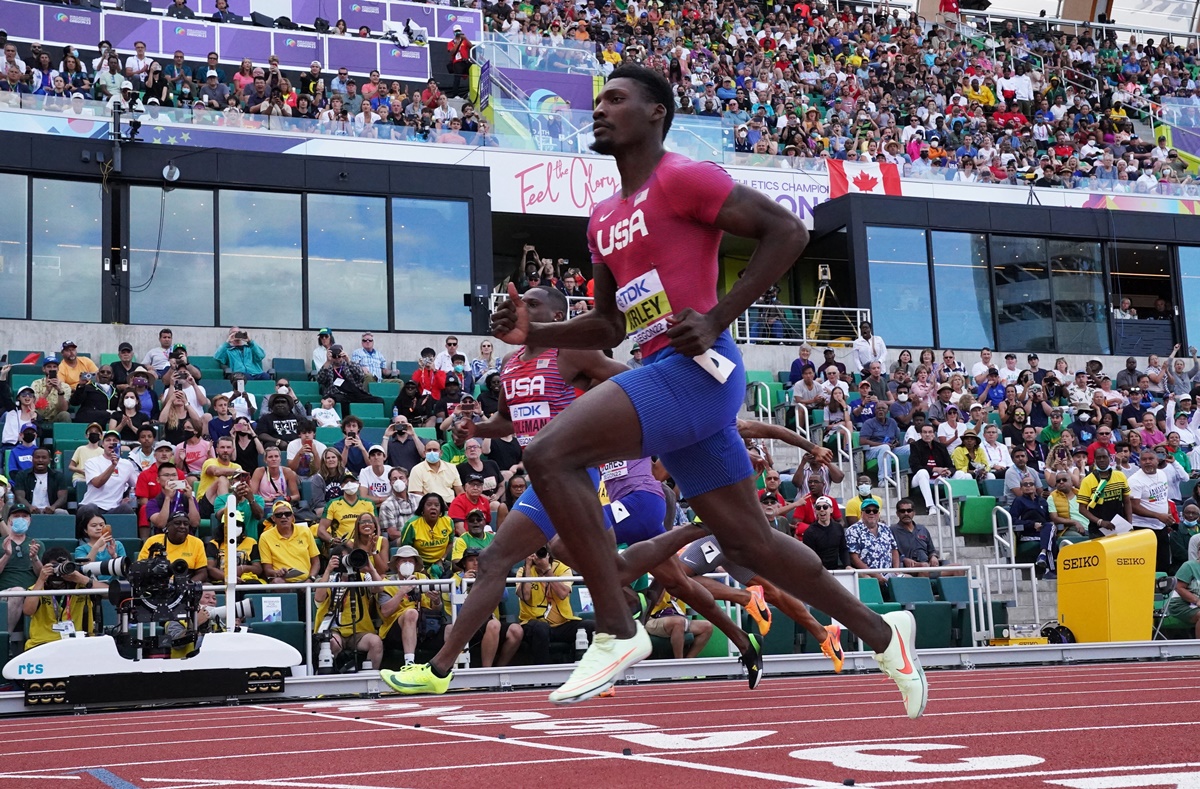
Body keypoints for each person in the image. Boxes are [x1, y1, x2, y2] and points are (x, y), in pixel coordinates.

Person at [482, 66, 924, 712]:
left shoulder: (684, 177)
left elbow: (789, 231)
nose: (599, 110)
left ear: (657, 113)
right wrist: (537, 329)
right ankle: (886, 635)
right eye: (597, 100)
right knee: (750, 542)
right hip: (669, 374)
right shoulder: (602, 218)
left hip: (697, 370)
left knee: (548, 452)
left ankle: (616, 628)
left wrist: (717, 315)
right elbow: (609, 324)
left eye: (616, 99)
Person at [442, 547, 523, 668]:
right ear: (464, 563)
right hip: (464, 623)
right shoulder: (455, 579)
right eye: (471, 560)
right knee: (494, 624)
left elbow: (504, 596)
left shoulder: (490, 576)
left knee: (516, 630)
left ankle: (497, 669)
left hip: (487, 621)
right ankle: (485, 670)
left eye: (479, 560)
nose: (475, 563)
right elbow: (458, 607)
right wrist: (465, 584)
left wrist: (487, 580)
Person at [514, 547, 595, 665]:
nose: (539, 556)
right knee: (542, 628)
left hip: (562, 624)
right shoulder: (523, 571)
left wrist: (547, 570)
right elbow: (525, 596)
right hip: (533, 623)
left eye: (542, 552)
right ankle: (543, 673)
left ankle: (589, 670)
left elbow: (562, 594)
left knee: (592, 626)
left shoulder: (562, 568)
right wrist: (527, 566)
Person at [314, 542, 385, 670]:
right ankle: (328, 680)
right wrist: (328, 570)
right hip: (334, 630)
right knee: (330, 644)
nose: (347, 563)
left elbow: (380, 588)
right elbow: (318, 598)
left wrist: (371, 569)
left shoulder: (364, 578)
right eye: (343, 559)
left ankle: (370, 680)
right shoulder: (329, 579)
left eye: (349, 558)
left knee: (376, 642)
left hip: (359, 631)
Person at [22, 546, 107, 651]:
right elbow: (27, 610)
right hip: (42, 645)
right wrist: (41, 579)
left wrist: (83, 579)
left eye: (63, 566)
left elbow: (109, 593)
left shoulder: (81, 586)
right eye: (54, 566)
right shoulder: (38, 589)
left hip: (78, 644)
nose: (59, 571)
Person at [1128, 448, 1175, 573]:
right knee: (1148, 564)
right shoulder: (1134, 480)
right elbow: (1134, 507)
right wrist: (1158, 515)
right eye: (1144, 459)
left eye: (1151, 459)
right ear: (1139, 462)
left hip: (1161, 525)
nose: (1147, 462)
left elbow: (1164, 497)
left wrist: (1168, 515)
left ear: (1157, 460)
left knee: (1163, 562)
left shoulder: (1162, 474)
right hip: (1142, 527)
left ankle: (1162, 590)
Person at [259, 501, 320, 584]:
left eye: (287, 514)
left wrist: (311, 579)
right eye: (279, 515)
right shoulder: (265, 537)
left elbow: (316, 562)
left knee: (323, 583)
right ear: (273, 518)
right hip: (283, 581)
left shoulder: (305, 531)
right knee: (278, 582)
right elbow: (267, 569)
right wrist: (277, 572)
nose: (284, 517)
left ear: (292, 517)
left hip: (307, 579)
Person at [1010, 476, 1058, 579]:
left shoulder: (1042, 502)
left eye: (1031, 484)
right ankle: (1051, 569)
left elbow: (1048, 519)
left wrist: (1051, 525)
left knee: (1050, 527)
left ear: (1035, 487)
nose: (1028, 486)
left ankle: (1043, 555)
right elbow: (1013, 521)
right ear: (1021, 488)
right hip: (1027, 534)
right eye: (1025, 484)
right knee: (1050, 539)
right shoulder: (1019, 501)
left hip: (1043, 533)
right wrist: (1032, 524)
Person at [81, 431, 139, 515]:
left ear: (120, 445)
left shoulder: (127, 465)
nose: (111, 442)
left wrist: (128, 497)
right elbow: (97, 483)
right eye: (108, 440)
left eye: (115, 440)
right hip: (93, 506)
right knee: (90, 508)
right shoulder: (92, 462)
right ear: (103, 444)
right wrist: (113, 465)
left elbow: (136, 486)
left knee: (126, 509)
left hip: (114, 508)